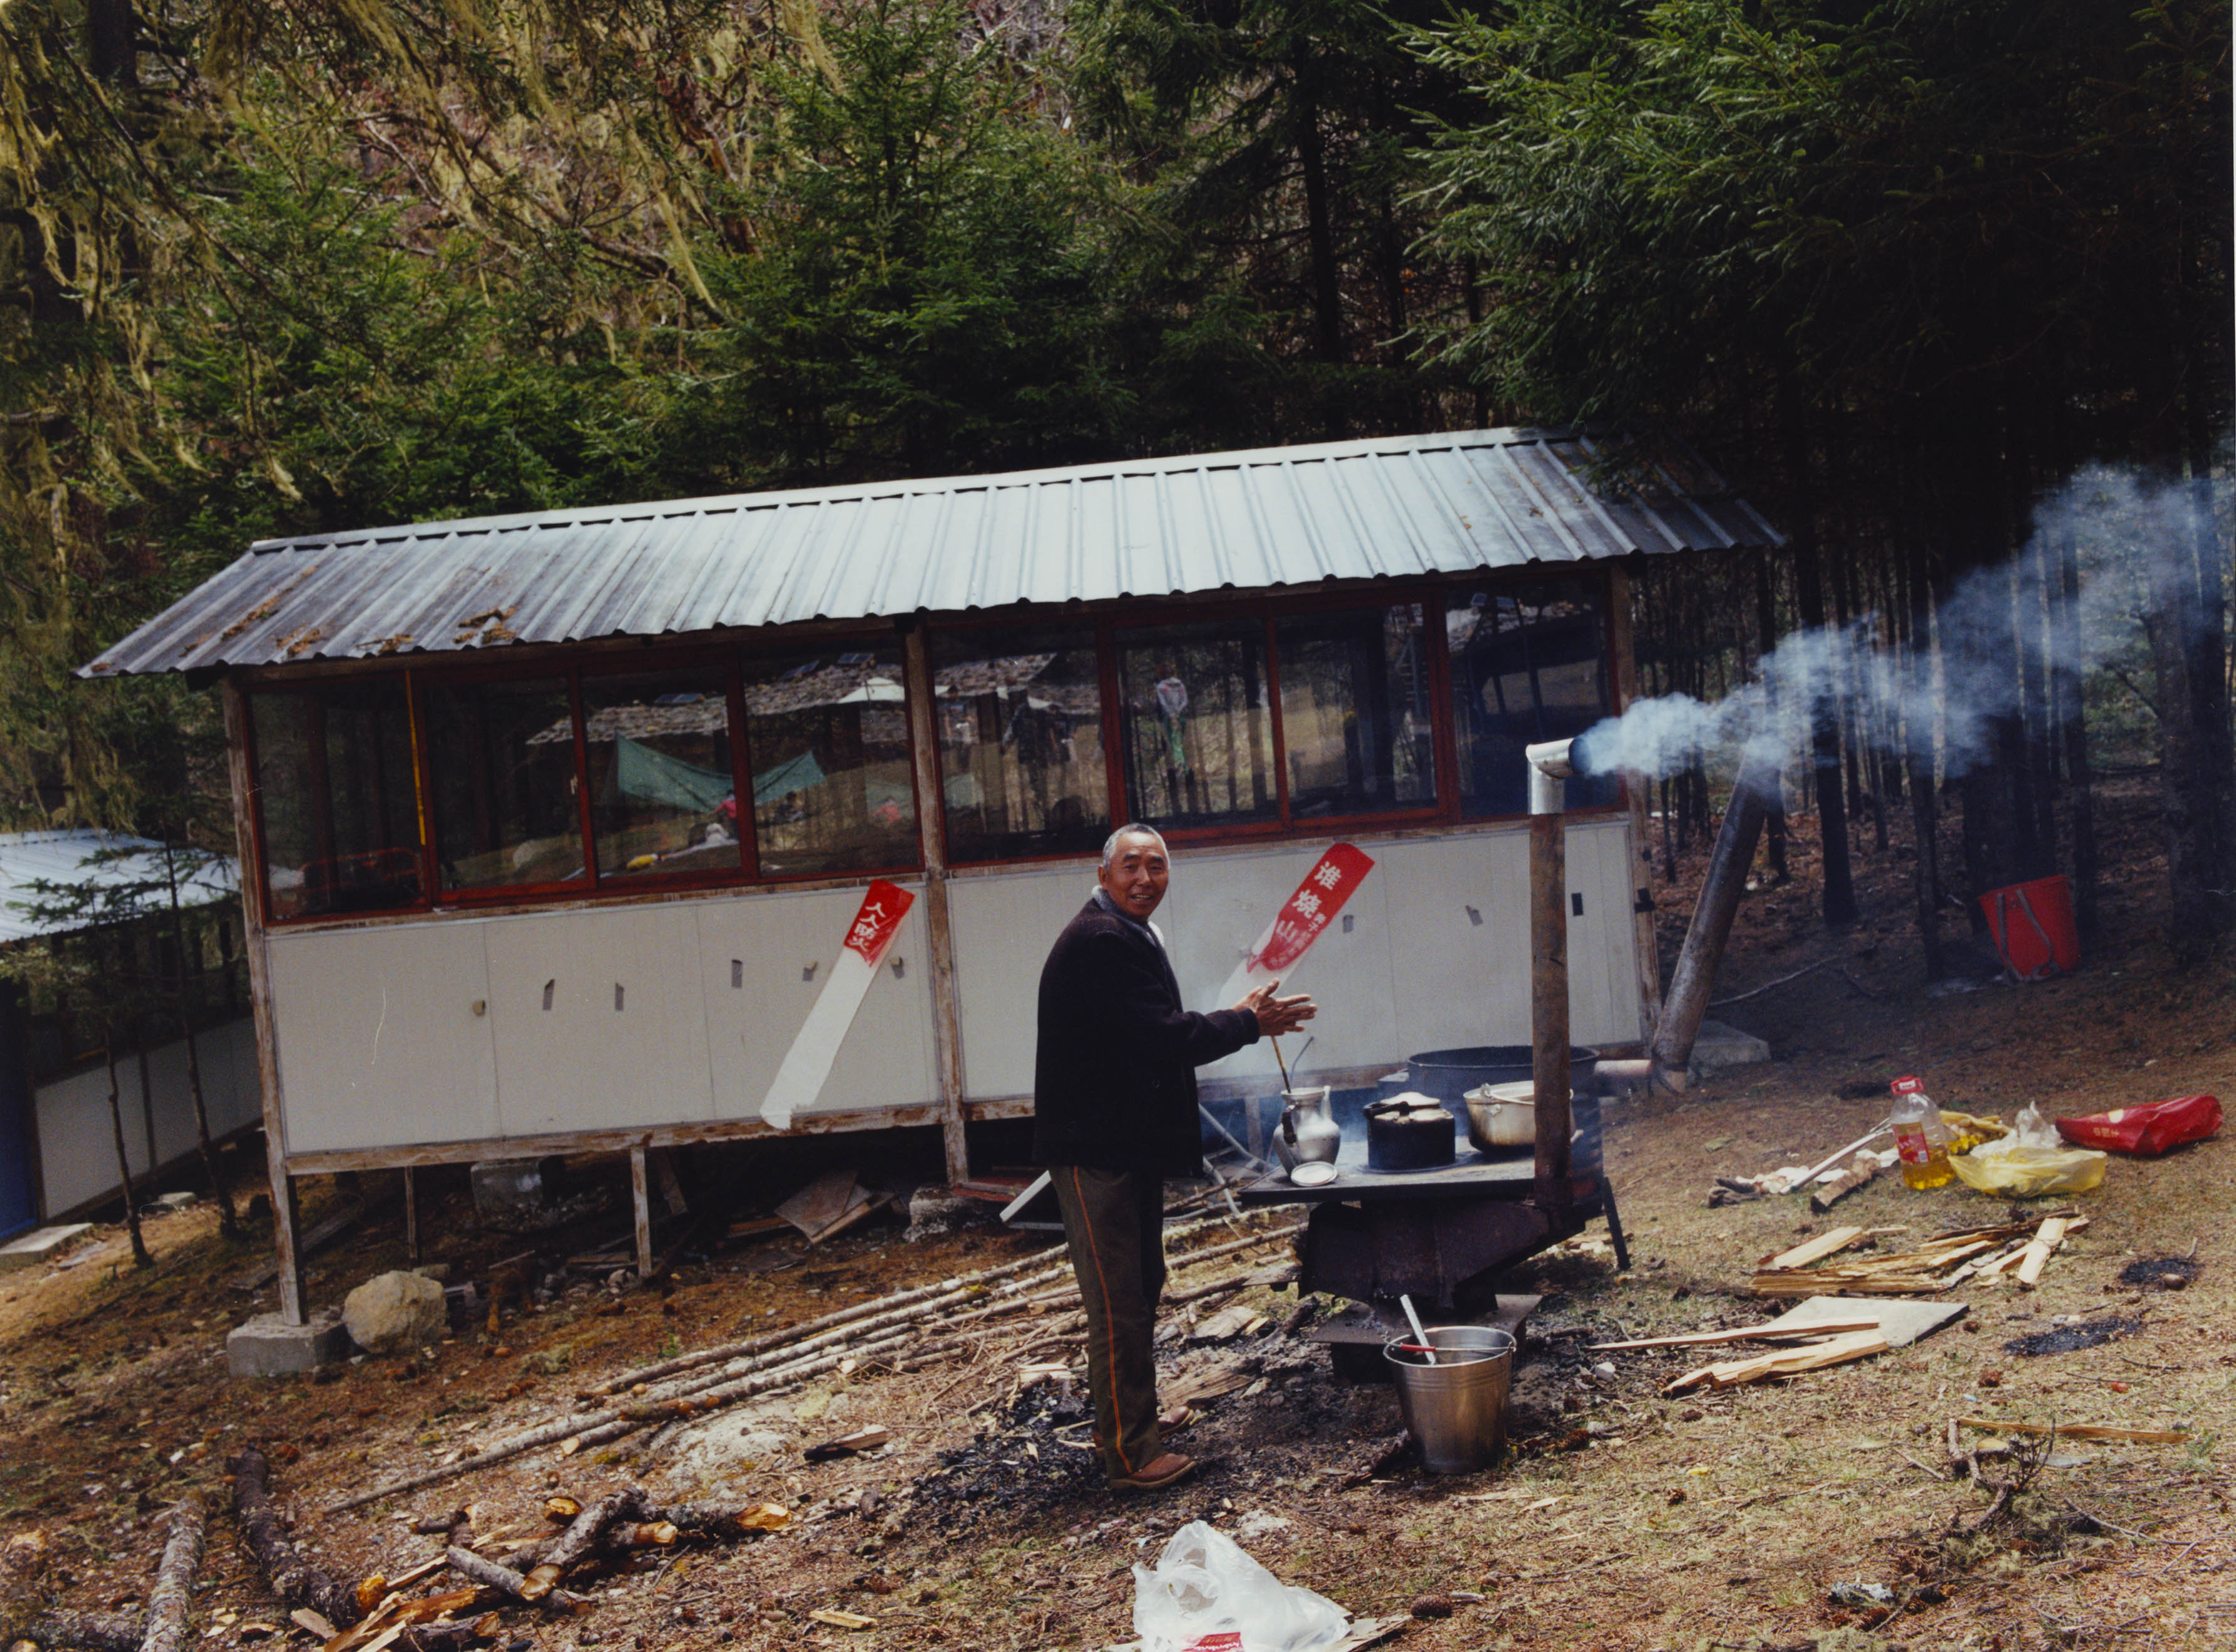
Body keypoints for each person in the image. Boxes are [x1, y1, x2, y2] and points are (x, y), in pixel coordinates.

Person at [1033, 824, 1316, 1491]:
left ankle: (1137, 1423)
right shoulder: (1100, 940)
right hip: (1094, 1151)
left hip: (1123, 1145)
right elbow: (1160, 1038)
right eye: (1130, 867)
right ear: (1103, 875)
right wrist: (1246, 1024)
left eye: (1156, 867)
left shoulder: (1126, 933)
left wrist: (1236, 1016)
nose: (1144, 880)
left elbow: (1149, 1033)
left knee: (1140, 1285)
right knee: (1117, 1302)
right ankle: (1129, 1458)